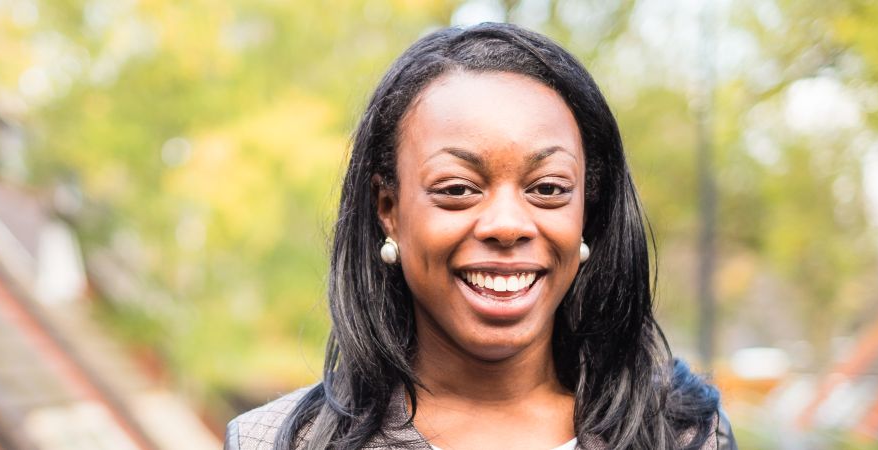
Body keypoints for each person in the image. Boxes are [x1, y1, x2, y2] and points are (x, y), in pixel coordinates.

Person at [225, 22, 735, 450]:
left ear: (589, 211)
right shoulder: (278, 439)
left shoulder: (682, 433)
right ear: (389, 210)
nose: (507, 225)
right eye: (458, 189)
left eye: (549, 188)